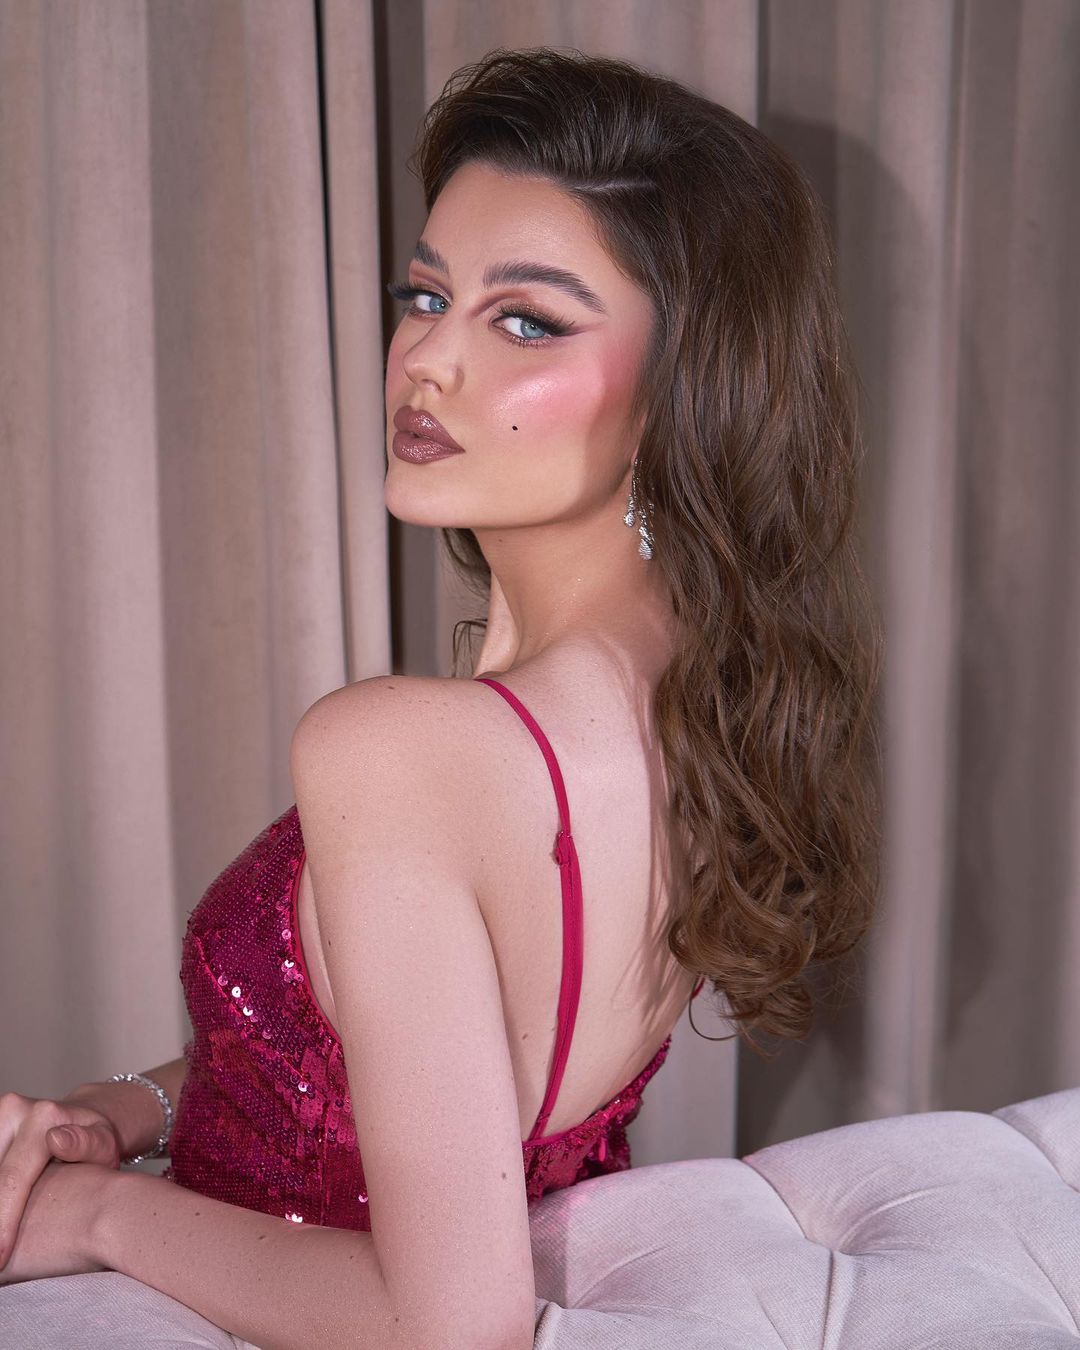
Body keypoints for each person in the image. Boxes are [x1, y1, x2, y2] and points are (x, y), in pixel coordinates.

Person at [0, 45, 882, 1347]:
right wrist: (127, 1109)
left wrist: (94, 1215)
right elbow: (412, 1065)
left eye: (526, 321)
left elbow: (454, 1325)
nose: (427, 359)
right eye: (427, 295)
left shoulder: (401, 752)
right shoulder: (709, 703)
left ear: (678, 392)